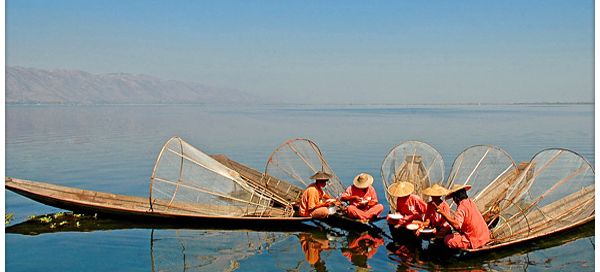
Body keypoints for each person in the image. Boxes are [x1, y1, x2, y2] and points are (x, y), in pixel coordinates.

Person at [435, 184, 490, 249]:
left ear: (455, 198)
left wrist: (442, 213)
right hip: (485, 237)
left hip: (474, 240)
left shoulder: (461, 207)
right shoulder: (471, 202)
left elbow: (457, 225)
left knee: (447, 239)